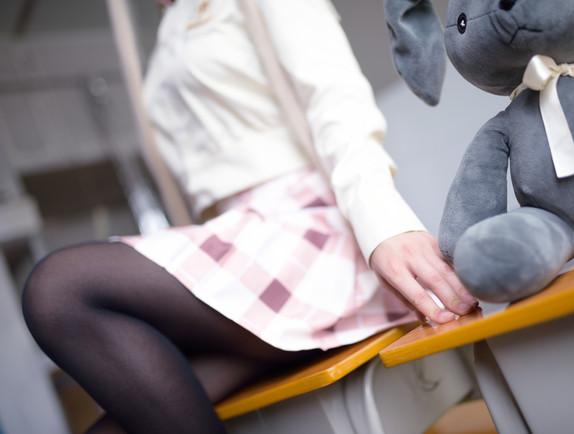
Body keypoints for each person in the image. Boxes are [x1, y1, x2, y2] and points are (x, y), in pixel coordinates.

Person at [21, 0, 477, 432]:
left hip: (301, 237)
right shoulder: (168, 33)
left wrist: (384, 227)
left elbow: (334, 99)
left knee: (57, 290)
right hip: (242, 251)